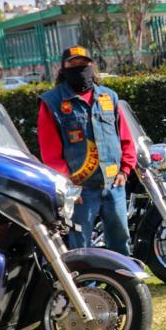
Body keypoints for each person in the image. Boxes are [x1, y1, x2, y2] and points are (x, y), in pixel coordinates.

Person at [38, 46, 135, 255]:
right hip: (80, 191)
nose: (79, 68)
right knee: (81, 249)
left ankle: (124, 285)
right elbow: (50, 154)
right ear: (62, 69)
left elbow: (125, 138)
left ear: (92, 66)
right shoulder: (52, 102)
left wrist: (125, 170)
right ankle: (85, 288)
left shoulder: (109, 97)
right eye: (72, 64)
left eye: (84, 64)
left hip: (114, 185)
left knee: (121, 243)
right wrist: (68, 188)